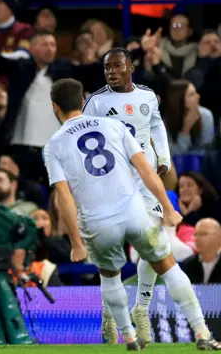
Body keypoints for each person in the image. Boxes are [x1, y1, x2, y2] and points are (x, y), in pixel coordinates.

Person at [44, 78, 220, 350]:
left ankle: (129, 337)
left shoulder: (54, 145)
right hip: (133, 210)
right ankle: (200, 331)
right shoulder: (113, 126)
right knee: (169, 267)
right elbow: (146, 169)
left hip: (97, 222)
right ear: (83, 101)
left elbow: (64, 197)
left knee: (110, 276)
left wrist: (77, 243)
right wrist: (169, 208)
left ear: (55, 107)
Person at [82, 47, 172, 345]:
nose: (111, 71)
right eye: (107, 67)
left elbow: (156, 124)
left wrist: (164, 157)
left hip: (144, 179)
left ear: (130, 66)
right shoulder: (95, 102)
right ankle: (109, 312)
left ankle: (142, 309)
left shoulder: (147, 96)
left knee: (154, 239)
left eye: (117, 66)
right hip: (111, 181)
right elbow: (79, 137)